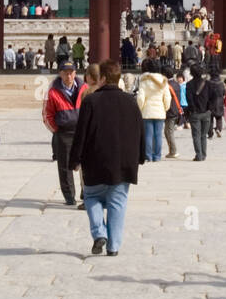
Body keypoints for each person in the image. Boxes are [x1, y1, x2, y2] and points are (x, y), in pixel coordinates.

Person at [70, 59, 145, 257]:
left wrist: (74, 160)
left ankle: (99, 233)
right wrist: (141, 155)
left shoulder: (91, 101)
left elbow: (81, 133)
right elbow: (140, 130)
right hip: (124, 162)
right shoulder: (131, 101)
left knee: (92, 196)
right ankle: (113, 246)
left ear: (102, 78)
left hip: (95, 161)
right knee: (117, 203)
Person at [42, 60, 89, 208]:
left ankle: (86, 191)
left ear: (75, 73)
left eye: (71, 72)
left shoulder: (84, 88)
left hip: (82, 131)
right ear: (60, 74)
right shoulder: (53, 91)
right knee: (65, 166)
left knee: (86, 163)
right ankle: (69, 196)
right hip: (63, 132)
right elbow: (47, 114)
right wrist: (56, 130)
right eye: (65, 73)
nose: (69, 76)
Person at [135, 58, 170, 162]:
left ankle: (148, 155)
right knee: (158, 134)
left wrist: (140, 108)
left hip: (147, 111)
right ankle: (157, 156)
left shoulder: (144, 81)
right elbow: (167, 97)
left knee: (148, 135)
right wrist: (165, 107)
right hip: (159, 111)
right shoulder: (164, 81)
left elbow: (140, 97)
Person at [186, 63, 214, 161]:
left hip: (195, 113)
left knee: (196, 135)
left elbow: (189, 99)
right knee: (203, 135)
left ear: (191, 73)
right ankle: (204, 154)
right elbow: (212, 98)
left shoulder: (189, 84)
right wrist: (209, 108)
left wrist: (192, 109)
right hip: (206, 112)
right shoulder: (208, 84)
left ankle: (199, 155)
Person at [164, 72, 182, 158]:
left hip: (170, 110)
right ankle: (172, 150)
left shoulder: (167, 85)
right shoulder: (176, 84)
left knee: (168, 131)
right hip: (176, 109)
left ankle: (173, 151)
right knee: (168, 131)